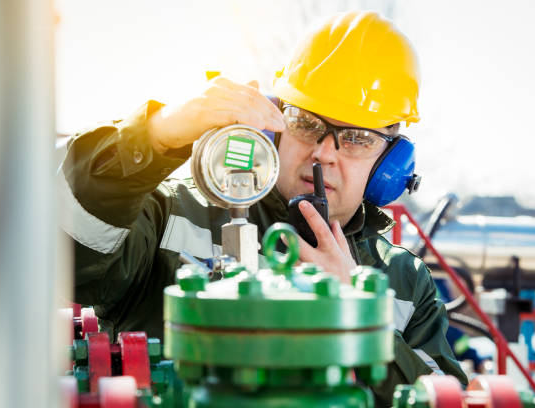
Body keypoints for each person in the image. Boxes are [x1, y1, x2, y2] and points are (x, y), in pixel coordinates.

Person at [59, 10, 467, 405]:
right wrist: (155, 133)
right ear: (274, 123)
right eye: (306, 122)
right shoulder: (170, 217)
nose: (323, 153)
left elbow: (441, 397)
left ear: (390, 166)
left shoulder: (406, 285)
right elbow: (65, 251)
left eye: (358, 137)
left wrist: (357, 313)